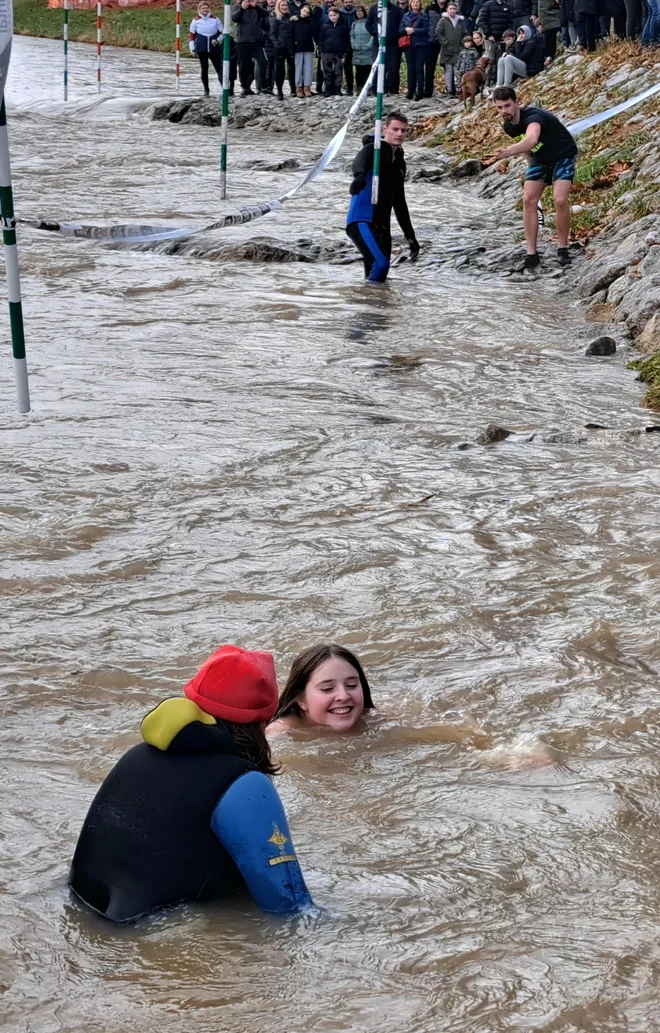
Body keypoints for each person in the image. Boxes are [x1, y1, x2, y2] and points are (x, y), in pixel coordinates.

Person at [69, 646, 314, 923]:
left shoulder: (135, 757)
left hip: (80, 921)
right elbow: (288, 904)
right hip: (149, 936)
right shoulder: (245, 785)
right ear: (263, 720)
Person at [492, 86, 578, 268]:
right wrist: (531, 165)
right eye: (499, 108)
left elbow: (531, 139)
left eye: (507, 106)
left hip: (563, 155)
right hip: (540, 160)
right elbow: (526, 146)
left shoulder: (533, 117)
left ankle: (563, 248)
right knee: (528, 200)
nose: (504, 111)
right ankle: (532, 254)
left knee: (560, 200)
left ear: (517, 103)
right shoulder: (508, 126)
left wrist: (508, 151)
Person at [345, 111, 420, 282]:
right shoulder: (376, 148)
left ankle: (371, 306)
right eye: (395, 129)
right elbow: (361, 158)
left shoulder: (400, 162)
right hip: (362, 220)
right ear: (385, 129)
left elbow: (399, 202)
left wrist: (410, 235)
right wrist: (359, 175)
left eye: (403, 130)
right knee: (381, 265)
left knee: (379, 275)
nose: (400, 134)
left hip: (382, 226)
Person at [269, 643, 374, 733]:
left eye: (351, 685)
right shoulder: (280, 733)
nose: (343, 696)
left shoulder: (374, 719)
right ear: (301, 699)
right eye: (327, 689)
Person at [366, 0, 405, 92]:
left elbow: (402, 25)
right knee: (377, 65)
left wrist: (395, 35)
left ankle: (390, 89)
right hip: (378, 43)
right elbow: (368, 24)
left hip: (393, 44)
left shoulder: (396, 9)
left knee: (393, 67)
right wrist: (375, 34)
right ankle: (375, 88)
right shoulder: (374, 8)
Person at [231, 0, 269, 95]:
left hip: (257, 41)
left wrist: (256, 6)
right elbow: (234, 18)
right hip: (243, 41)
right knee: (244, 66)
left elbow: (265, 14)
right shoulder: (238, 7)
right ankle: (245, 87)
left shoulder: (257, 7)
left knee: (263, 63)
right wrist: (242, 8)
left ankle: (262, 86)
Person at [189, 2, 225, 97]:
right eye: (203, 8)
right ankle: (206, 90)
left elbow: (223, 32)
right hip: (202, 49)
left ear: (209, 9)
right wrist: (192, 48)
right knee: (204, 69)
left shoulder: (215, 19)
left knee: (219, 68)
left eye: (206, 8)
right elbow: (192, 36)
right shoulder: (195, 20)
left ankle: (224, 88)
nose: (205, 10)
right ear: (199, 9)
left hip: (214, 48)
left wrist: (217, 40)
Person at [400, 0, 430, 100]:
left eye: (417, 2)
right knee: (410, 69)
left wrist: (414, 30)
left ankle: (420, 92)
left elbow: (426, 29)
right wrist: (405, 30)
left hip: (421, 45)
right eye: (413, 2)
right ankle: (410, 91)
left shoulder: (424, 15)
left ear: (420, 4)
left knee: (419, 69)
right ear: (410, 4)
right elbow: (400, 29)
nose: (415, 4)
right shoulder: (405, 16)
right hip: (408, 45)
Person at [436, 1, 467, 95]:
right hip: (447, 50)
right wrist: (446, 44)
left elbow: (464, 34)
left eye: (454, 9)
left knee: (458, 71)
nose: (453, 11)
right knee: (449, 71)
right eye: (451, 9)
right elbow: (438, 33)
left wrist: (462, 45)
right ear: (447, 10)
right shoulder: (443, 20)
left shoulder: (460, 21)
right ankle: (450, 90)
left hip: (459, 50)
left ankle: (459, 90)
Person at [319, 6, 351, 94]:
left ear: (338, 15)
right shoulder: (325, 26)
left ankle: (337, 88)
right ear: (329, 16)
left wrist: (346, 49)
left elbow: (346, 40)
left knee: (338, 70)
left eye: (335, 15)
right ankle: (327, 88)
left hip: (339, 52)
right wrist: (321, 50)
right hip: (327, 52)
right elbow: (321, 39)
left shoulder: (343, 27)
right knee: (327, 71)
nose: (333, 17)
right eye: (331, 15)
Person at [270, 0, 296, 98]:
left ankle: (293, 89)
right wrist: (277, 44)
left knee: (292, 68)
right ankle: (279, 91)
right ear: (278, 6)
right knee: (280, 69)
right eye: (282, 5)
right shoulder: (275, 17)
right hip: (279, 47)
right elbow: (272, 33)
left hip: (290, 46)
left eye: (286, 5)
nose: (284, 7)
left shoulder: (290, 17)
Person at [292, 3, 317, 96]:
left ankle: (307, 87)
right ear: (301, 10)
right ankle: (298, 88)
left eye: (307, 12)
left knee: (308, 68)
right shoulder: (294, 21)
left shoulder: (310, 21)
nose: (305, 13)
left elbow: (314, 32)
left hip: (308, 46)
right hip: (297, 47)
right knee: (298, 68)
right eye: (304, 11)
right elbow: (290, 34)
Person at [351, 5, 375, 91]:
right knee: (358, 71)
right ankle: (359, 87)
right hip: (357, 50)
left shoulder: (369, 23)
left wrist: (369, 44)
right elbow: (352, 35)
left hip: (367, 50)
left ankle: (368, 88)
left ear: (364, 12)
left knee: (367, 70)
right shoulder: (354, 24)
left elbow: (373, 35)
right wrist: (353, 44)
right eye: (357, 12)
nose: (359, 13)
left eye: (360, 11)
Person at [424, 0, 444, 96]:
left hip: (446, 42)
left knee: (448, 66)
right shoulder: (429, 9)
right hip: (431, 41)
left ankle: (451, 90)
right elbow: (424, 23)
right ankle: (428, 90)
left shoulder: (451, 8)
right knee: (429, 67)